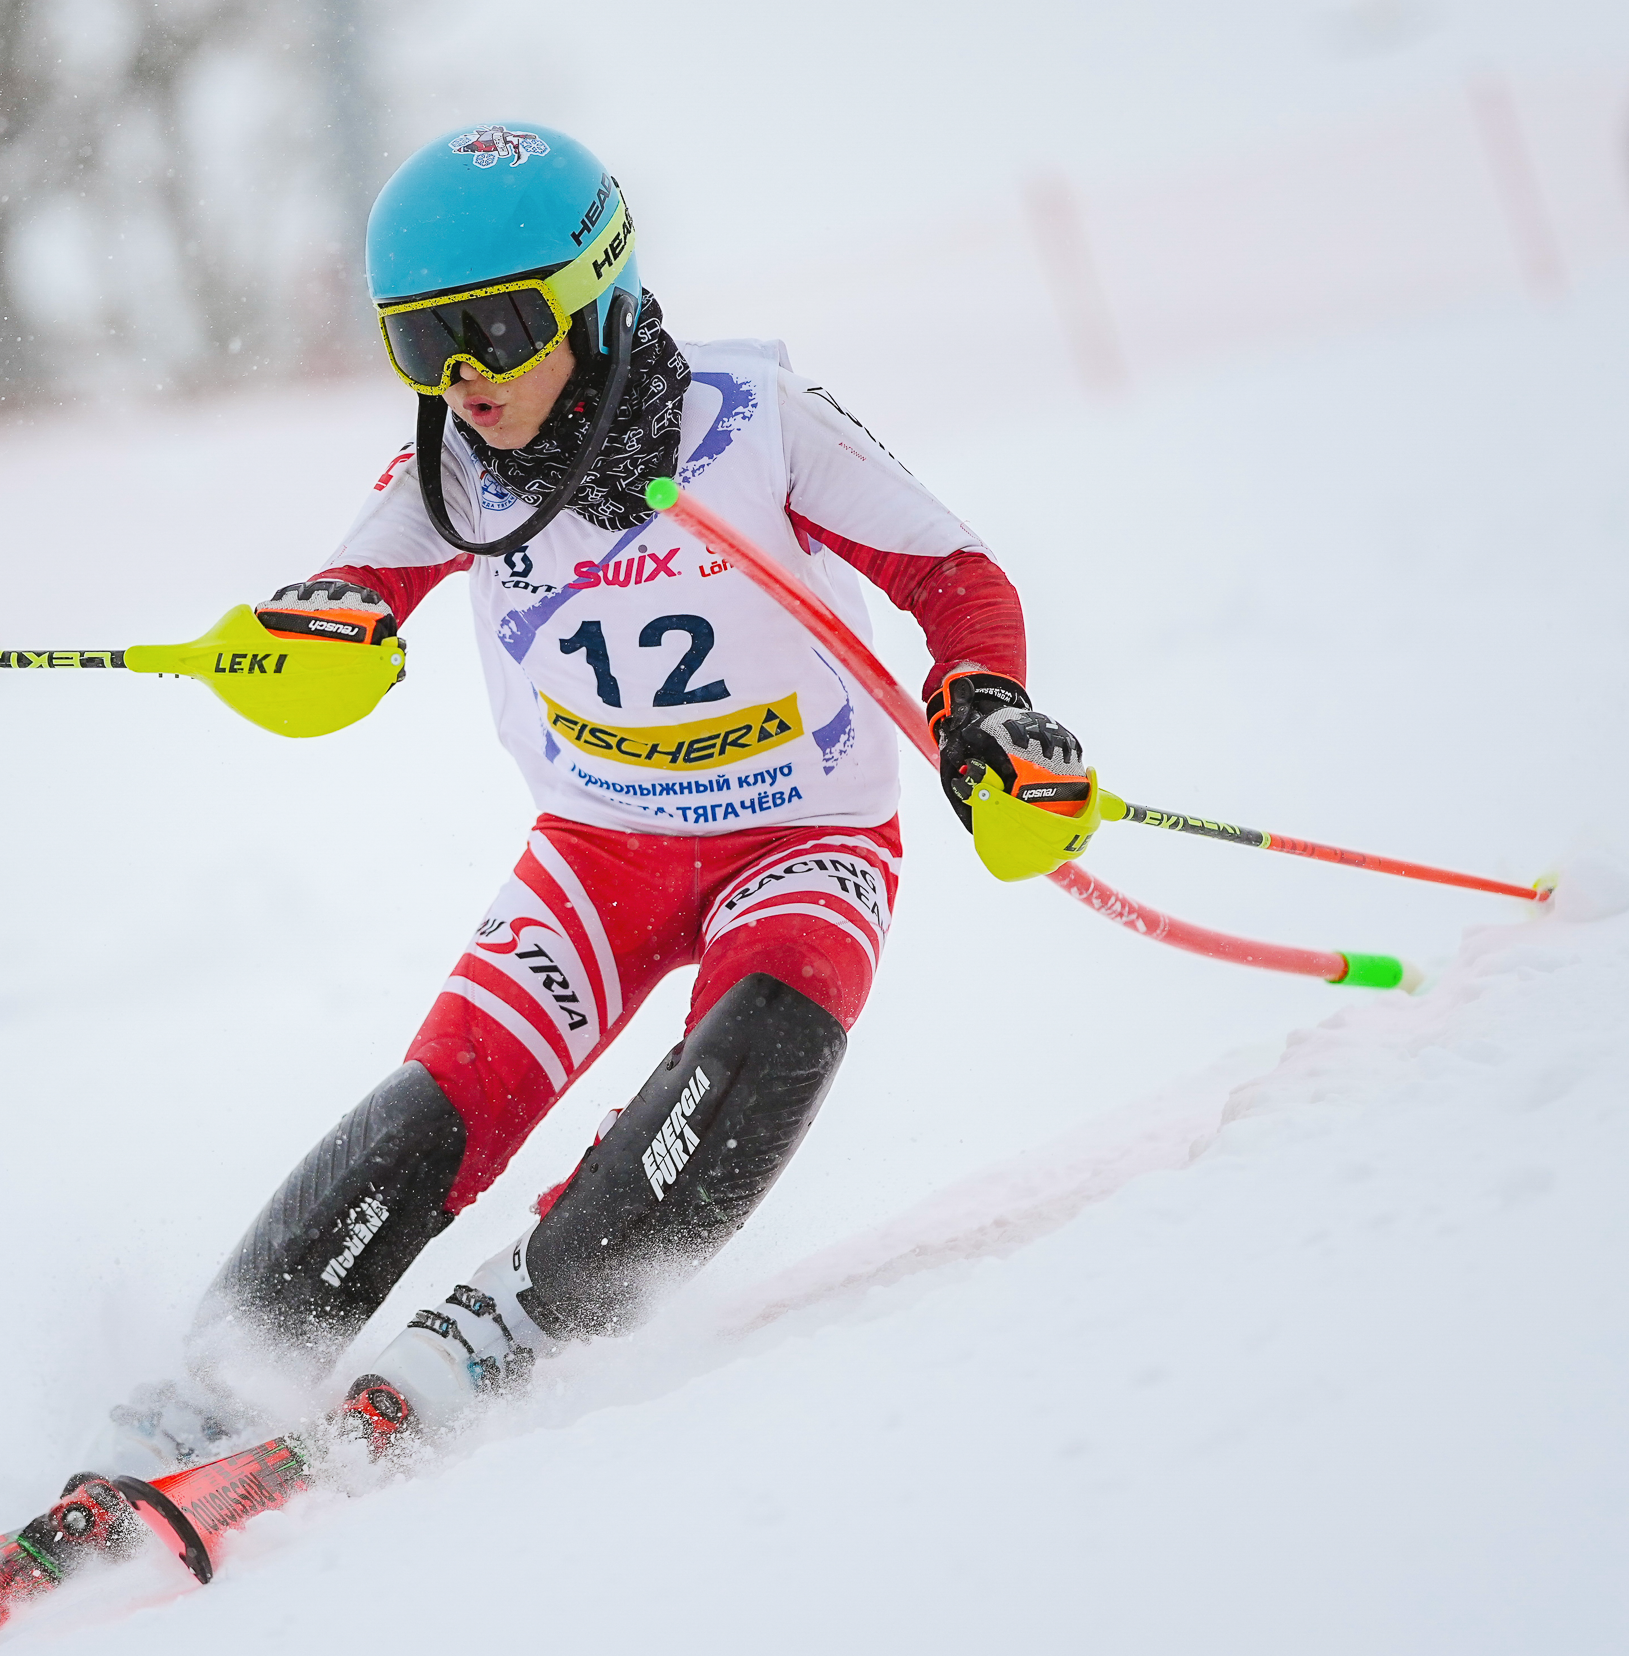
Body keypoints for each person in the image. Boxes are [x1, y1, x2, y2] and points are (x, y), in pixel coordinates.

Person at [92, 120, 1091, 1472]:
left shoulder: (753, 419)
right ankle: (232, 1368)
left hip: (806, 836)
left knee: (772, 1029)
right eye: (419, 343)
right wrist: (297, 645)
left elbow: (955, 574)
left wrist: (985, 705)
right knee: (452, 1092)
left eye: (497, 330)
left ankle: (525, 1315)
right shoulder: (451, 476)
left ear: (597, 300)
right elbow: (347, 597)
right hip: (602, 850)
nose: (463, 377)